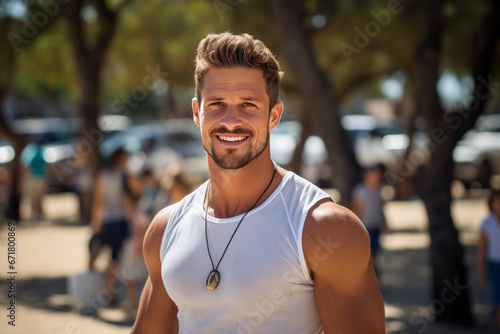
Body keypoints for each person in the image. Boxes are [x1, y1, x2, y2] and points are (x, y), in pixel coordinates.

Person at [131, 32, 384, 333]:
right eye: (217, 104)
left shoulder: (325, 230)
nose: (230, 120)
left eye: (248, 104)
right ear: (197, 113)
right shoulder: (165, 229)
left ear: (274, 116)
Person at [90, 148, 135, 305]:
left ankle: (111, 293)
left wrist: (96, 224)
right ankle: (110, 293)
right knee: (118, 259)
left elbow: (98, 202)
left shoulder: (102, 176)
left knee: (114, 258)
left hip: (107, 220)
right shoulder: (123, 176)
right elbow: (129, 200)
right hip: (120, 220)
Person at [352, 164, 389, 273]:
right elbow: (356, 210)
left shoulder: (379, 190)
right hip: (365, 227)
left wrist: (386, 224)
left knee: (376, 256)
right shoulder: (360, 191)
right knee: (367, 257)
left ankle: (377, 282)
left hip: (376, 226)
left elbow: (381, 209)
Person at [477, 189, 500, 330]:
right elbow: (481, 249)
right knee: (498, 300)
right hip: (494, 264)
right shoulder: (487, 223)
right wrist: (481, 270)